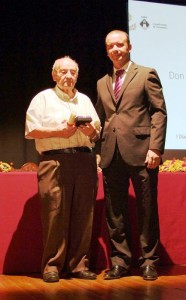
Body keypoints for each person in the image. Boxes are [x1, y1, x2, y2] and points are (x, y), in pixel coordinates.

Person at [95, 30, 167, 280]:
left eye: (120, 45)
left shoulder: (146, 74)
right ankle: (120, 261)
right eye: (111, 46)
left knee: (147, 209)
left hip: (142, 152)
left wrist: (155, 147)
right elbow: (102, 119)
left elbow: (158, 112)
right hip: (110, 154)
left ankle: (148, 261)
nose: (115, 49)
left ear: (129, 46)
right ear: (106, 51)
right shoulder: (102, 82)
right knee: (115, 212)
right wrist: (96, 148)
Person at [25, 56, 101, 282]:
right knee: (55, 213)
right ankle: (52, 266)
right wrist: (60, 131)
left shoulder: (85, 100)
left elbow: (97, 133)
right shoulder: (43, 99)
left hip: (85, 161)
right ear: (54, 74)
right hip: (55, 161)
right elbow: (30, 131)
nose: (68, 76)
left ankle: (78, 264)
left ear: (77, 75)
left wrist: (90, 132)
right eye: (64, 71)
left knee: (83, 213)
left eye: (73, 72)